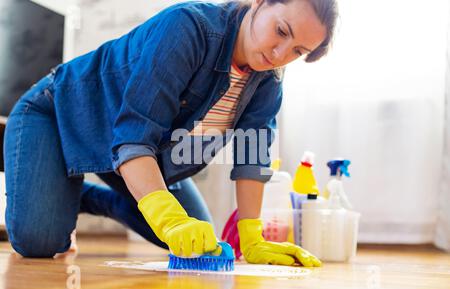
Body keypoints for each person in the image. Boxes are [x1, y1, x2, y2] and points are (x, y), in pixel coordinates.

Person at [3, 0, 337, 266]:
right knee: (40, 242)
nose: (280, 54)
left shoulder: (268, 79)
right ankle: (62, 182)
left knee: (199, 244)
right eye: (281, 30)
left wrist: (252, 235)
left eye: (297, 51)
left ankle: (87, 198)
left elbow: (252, 156)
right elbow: (135, 134)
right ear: (260, 1)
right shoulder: (188, 28)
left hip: (135, 153)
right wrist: (167, 216)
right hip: (57, 116)